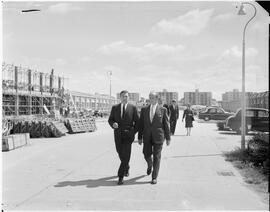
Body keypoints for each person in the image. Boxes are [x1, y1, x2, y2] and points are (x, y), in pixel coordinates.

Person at [138, 92, 170, 185]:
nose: (151, 99)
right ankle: (149, 164)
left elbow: (166, 124)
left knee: (157, 157)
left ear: (156, 98)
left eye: (152, 97)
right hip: (147, 136)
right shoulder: (144, 110)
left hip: (158, 137)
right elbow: (141, 125)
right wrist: (140, 137)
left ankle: (154, 177)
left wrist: (168, 138)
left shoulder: (163, 110)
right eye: (150, 97)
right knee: (146, 154)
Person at [108, 90, 139, 185]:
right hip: (117, 135)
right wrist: (113, 124)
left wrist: (132, 132)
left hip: (128, 135)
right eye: (123, 96)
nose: (125, 98)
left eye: (126, 96)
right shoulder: (115, 108)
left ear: (128, 97)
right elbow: (110, 120)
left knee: (126, 155)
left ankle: (120, 176)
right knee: (120, 153)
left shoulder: (133, 108)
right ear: (120, 98)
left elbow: (137, 122)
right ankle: (127, 166)